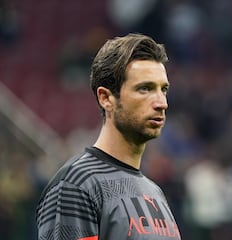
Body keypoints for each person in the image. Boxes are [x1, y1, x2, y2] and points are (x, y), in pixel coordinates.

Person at [36, 33, 181, 240]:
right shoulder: (76, 185)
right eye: (145, 89)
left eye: (163, 89)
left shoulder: (155, 193)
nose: (161, 102)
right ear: (106, 98)